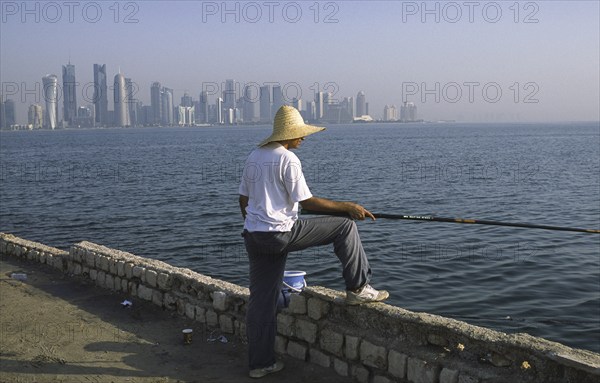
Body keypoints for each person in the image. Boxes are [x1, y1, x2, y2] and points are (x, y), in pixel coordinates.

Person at [238, 105, 389, 379]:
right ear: (288, 135)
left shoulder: (254, 156)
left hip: (254, 236)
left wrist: (258, 223)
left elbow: (244, 200)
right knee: (344, 225)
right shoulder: (288, 160)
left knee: (261, 301)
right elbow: (306, 201)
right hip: (279, 234)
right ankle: (358, 288)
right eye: (300, 134)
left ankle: (260, 364)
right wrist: (347, 207)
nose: (304, 138)